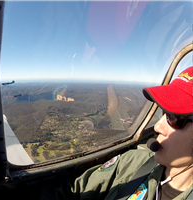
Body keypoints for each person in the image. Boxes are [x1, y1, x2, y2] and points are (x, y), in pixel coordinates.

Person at [39, 66, 193, 200]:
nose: (158, 126)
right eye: (163, 113)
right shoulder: (133, 163)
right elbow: (72, 191)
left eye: (174, 118)